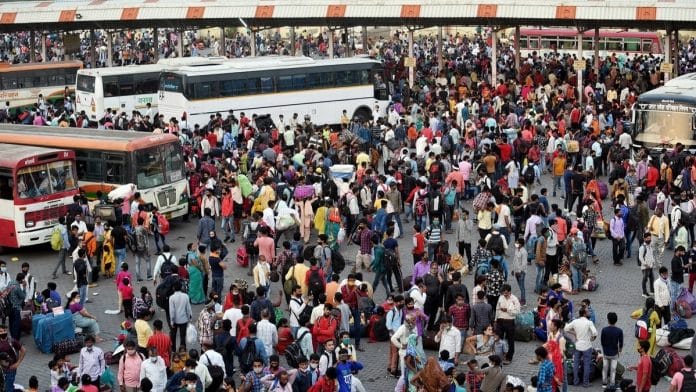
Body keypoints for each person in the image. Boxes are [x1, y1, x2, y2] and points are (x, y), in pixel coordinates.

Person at [564, 307, 597, 387]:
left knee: (576, 364)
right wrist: (592, 338)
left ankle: (575, 382)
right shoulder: (589, 322)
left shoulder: (575, 321)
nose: (589, 312)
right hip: (587, 345)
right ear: (585, 314)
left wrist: (574, 333)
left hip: (578, 345)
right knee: (586, 364)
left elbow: (566, 328)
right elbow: (595, 333)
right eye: (588, 311)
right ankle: (585, 383)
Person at [600, 312, 624, 389]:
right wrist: (619, 350)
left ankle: (604, 383)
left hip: (606, 352)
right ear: (616, 320)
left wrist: (604, 350)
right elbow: (621, 342)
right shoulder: (619, 331)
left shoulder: (604, 330)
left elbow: (602, 342)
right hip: (614, 353)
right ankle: (612, 383)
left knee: (605, 367)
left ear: (608, 320)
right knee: (613, 369)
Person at [169, 280, 192, 350]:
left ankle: (173, 350)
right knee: (183, 337)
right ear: (181, 287)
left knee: (173, 336)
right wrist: (189, 318)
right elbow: (188, 309)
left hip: (175, 320)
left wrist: (172, 321)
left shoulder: (171, 298)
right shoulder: (186, 296)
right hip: (183, 320)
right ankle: (183, 351)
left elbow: (172, 311)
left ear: (173, 288)